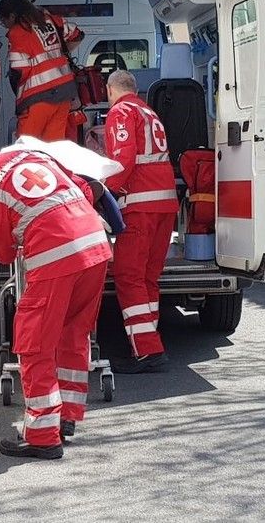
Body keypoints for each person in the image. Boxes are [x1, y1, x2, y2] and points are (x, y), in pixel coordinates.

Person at [0, 131, 111, 460]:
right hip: (94, 245)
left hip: (56, 256)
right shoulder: (30, 153)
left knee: (34, 343)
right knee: (73, 333)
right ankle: (66, 417)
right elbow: (84, 188)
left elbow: (4, 253)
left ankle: (43, 436)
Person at [103, 70, 178, 374]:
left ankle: (147, 350)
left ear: (110, 90)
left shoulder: (120, 112)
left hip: (140, 205)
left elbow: (123, 159)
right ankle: (147, 342)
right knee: (148, 277)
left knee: (128, 276)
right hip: (165, 204)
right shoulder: (149, 113)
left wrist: (103, 192)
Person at [0, 0, 83, 142]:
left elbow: (19, 69)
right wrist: (60, 54)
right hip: (64, 92)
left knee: (26, 144)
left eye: (3, 21)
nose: (4, 25)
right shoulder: (50, 20)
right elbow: (77, 34)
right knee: (53, 144)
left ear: (12, 16)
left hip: (37, 96)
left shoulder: (17, 33)